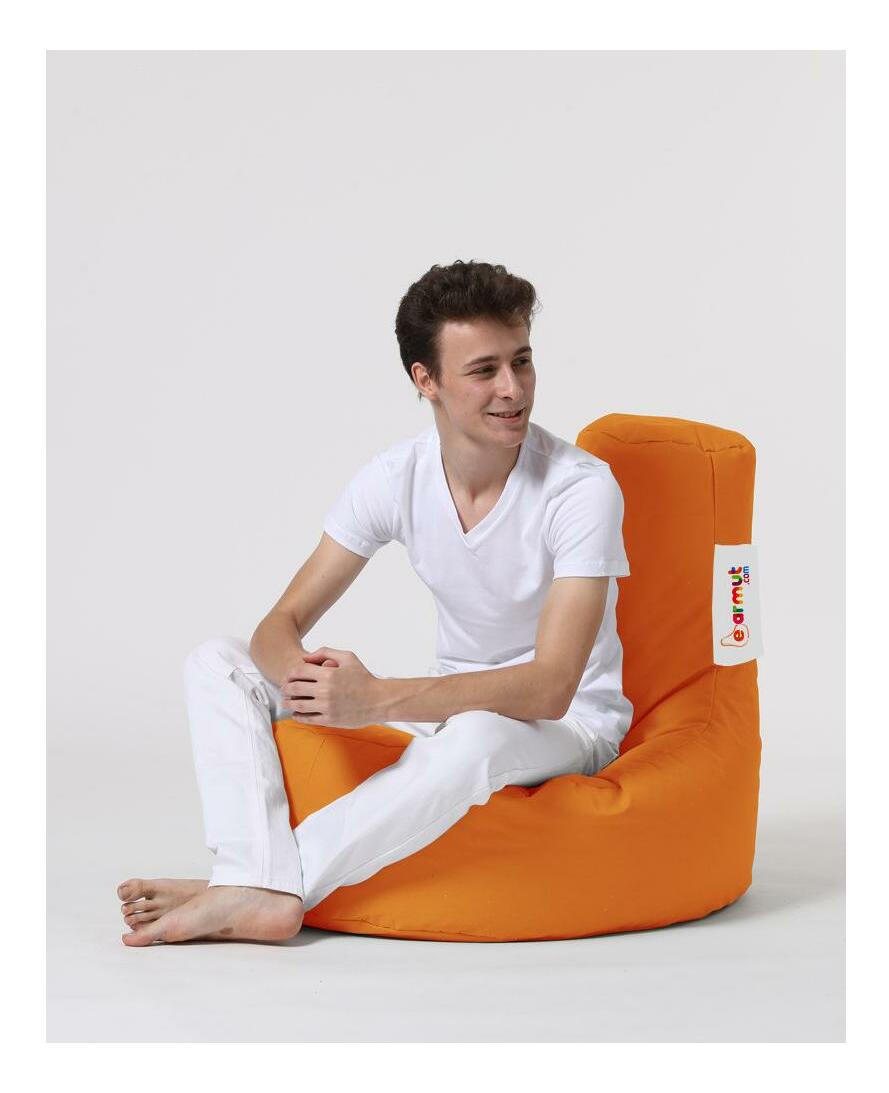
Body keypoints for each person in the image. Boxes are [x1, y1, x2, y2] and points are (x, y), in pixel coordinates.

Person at [117, 259, 633, 946]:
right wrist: (310, 681)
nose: (512, 389)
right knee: (219, 661)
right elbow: (280, 624)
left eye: (522, 360)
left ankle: (259, 889)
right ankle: (252, 875)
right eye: (484, 370)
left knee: (478, 735)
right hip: (447, 709)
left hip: (569, 726)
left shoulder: (580, 489)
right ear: (426, 380)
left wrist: (377, 699)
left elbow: (552, 686)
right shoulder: (396, 477)